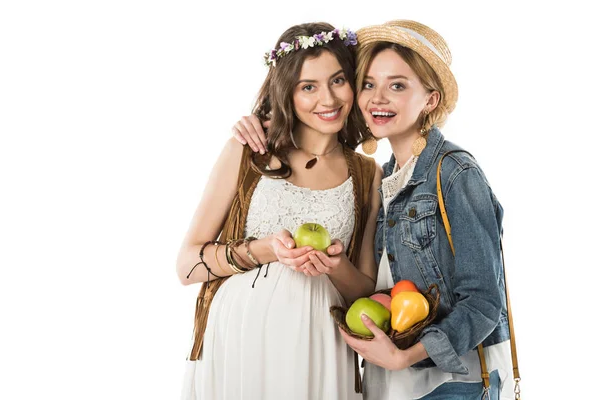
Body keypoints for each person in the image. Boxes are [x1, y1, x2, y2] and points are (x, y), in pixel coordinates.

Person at [233, 19, 515, 400]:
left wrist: (406, 356)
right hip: (389, 385)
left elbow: (483, 301)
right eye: (369, 84)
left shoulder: (454, 172)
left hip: (450, 384)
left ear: (430, 99)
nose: (377, 98)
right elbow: (380, 287)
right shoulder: (383, 178)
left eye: (397, 85)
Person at [176, 22, 382, 400]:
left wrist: (336, 267)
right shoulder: (248, 152)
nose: (328, 99)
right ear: (286, 92)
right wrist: (265, 250)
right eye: (308, 87)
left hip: (319, 347)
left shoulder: (367, 174)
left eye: (338, 80)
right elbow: (187, 265)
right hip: (240, 340)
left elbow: (366, 290)